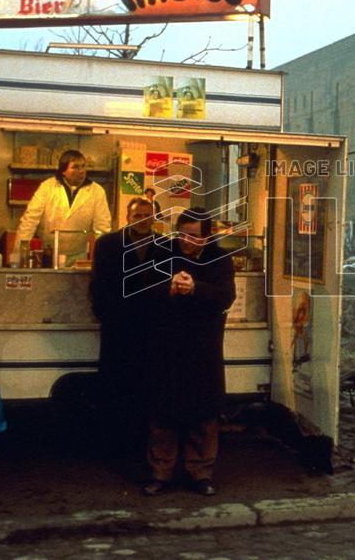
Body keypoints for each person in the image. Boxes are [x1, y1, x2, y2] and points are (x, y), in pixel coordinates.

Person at [143, 207, 236, 497]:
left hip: (203, 346)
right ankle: (161, 473)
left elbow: (227, 296)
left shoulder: (220, 259)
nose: (186, 241)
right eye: (182, 234)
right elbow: (142, 290)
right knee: (163, 413)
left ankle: (201, 473)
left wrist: (196, 288)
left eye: (193, 236)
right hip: (166, 344)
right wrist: (169, 289)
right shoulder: (162, 254)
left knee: (204, 414)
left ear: (207, 236)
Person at [89, 196, 165, 462]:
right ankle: (113, 449)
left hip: (151, 331)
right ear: (127, 218)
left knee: (147, 390)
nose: (143, 220)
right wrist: (108, 316)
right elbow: (98, 285)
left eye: (147, 215)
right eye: (137, 216)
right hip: (118, 329)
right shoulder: (107, 244)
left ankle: (142, 449)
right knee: (115, 388)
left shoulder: (165, 245)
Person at [15, 150, 112, 266]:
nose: (81, 171)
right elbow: (29, 221)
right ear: (63, 170)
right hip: (48, 255)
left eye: (83, 166)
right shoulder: (47, 187)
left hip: (78, 256)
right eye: (75, 167)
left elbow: (102, 229)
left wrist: (104, 260)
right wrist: (18, 255)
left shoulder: (97, 191)